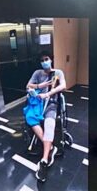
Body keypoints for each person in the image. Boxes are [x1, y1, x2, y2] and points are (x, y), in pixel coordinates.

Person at [26, 53, 66, 182]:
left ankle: (44, 160)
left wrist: (48, 93)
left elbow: (63, 86)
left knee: (49, 125)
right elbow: (28, 86)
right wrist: (40, 86)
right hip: (37, 104)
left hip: (51, 104)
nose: (44, 62)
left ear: (51, 60)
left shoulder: (58, 72)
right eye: (42, 60)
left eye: (46, 59)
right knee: (30, 118)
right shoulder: (37, 73)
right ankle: (51, 147)